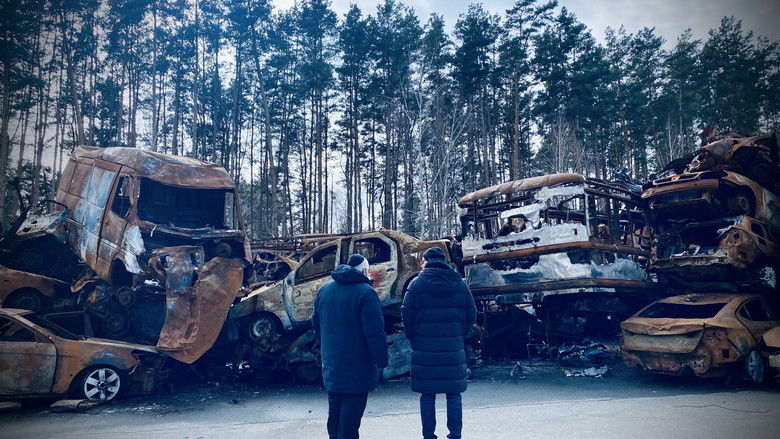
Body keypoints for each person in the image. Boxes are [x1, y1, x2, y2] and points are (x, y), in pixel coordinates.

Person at [402, 247, 477, 439]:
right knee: (454, 394)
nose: (422, 264)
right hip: (453, 348)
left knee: (427, 394)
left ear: (427, 261)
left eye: (423, 261)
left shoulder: (416, 284)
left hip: (424, 348)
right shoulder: (459, 284)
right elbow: (472, 313)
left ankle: (429, 435)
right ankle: (455, 435)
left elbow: (407, 315)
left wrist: (413, 337)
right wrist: (460, 335)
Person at [311, 254, 389, 439]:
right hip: (357, 366)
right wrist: (382, 361)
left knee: (335, 420)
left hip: (332, 363)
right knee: (349, 424)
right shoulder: (366, 293)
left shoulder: (325, 290)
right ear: (364, 270)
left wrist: (324, 348)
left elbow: (315, 323)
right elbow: (374, 332)